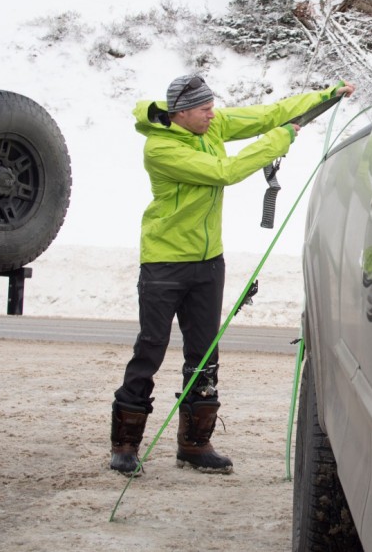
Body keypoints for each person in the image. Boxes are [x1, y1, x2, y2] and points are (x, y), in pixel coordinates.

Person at [109, 74, 355, 476]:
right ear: (181, 113)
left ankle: (194, 444)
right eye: (204, 108)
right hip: (165, 263)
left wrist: (325, 96)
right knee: (150, 350)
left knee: (204, 354)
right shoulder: (161, 148)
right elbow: (225, 170)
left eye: (212, 107)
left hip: (209, 262)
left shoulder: (210, 125)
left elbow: (267, 114)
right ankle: (125, 444)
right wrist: (279, 140)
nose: (212, 113)